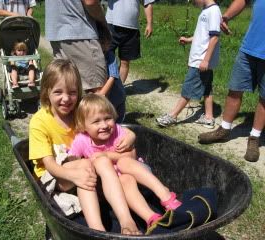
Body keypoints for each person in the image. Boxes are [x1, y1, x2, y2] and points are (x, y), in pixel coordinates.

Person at [29, 59, 139, 235]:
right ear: (46, 92)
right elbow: (49, 164)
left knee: (100, 166)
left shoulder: (80, 113)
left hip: (85, 168)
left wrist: (131, 135)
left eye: (72, 93)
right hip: (54, 177)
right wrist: (73, 175)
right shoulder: (40, 121)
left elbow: (111, 129)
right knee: (85, 166)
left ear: (78, 92)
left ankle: (126, 221)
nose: (66, 99)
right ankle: (97, 229)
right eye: (58, 92)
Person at [69, 93, 182, 234]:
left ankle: (165, 194)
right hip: (114, 188)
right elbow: (71, 162)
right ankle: (152, 218)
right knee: (124, 179)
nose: (104, 125)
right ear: (83, 126)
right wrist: (86, 162)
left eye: (108, 118)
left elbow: (132, 155)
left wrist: (107, 155)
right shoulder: (82, 141)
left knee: (123, 163)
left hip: (140, 177)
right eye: (96, 122)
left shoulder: (117, 131)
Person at [198, 0, 265, 163]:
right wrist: (226, 16)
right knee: (235, 89)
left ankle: (254, 138)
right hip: (248, 49)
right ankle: (224, 129)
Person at [156, 0, 221, 129]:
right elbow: (203, 35)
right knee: (207, 88)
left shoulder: (213, 11)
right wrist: (189, 40)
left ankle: (172, 116)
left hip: (200, 60)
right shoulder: (206, 10)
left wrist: (206, 60)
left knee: (188, 88)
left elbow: (214, 37)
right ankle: (209, 117)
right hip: (201, 59)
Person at [45, 0, 111, 92]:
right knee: (96, 94)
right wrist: (103, 22)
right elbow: (90, 2)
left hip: (56, 31)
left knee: (66, 92)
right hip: (80, 31)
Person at [105, 0, 154, 83]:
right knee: (106, 57)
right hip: (111, 24)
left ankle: (119, 89)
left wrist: (149, 24)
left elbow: (147, 4)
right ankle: (104, 88)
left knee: (125, 61)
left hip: (132, 28)